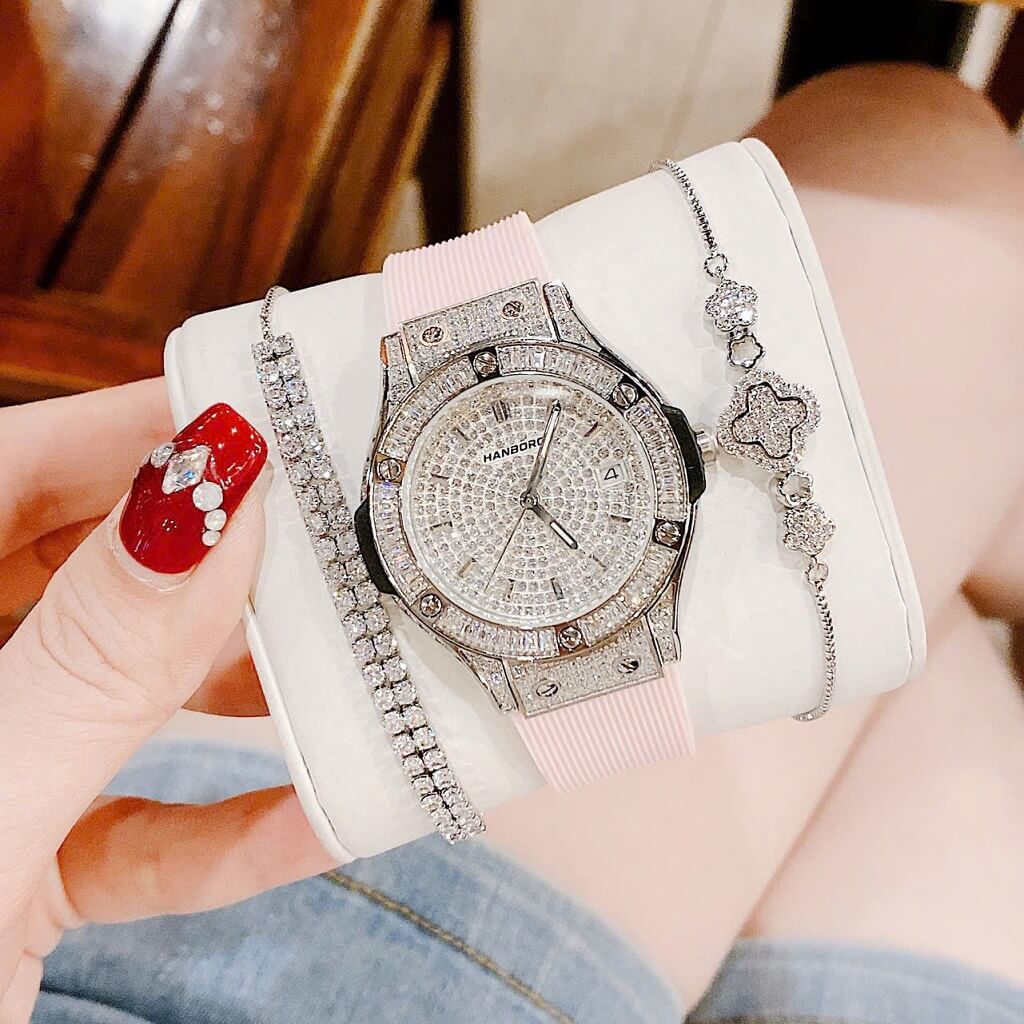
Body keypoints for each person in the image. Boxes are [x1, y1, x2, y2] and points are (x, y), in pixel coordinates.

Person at [2, 63, 1023, 1024]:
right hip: (342, 939)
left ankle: (971, 537)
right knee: (920, 133)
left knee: (907, 611)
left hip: (102, 897)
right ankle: (979, 537)